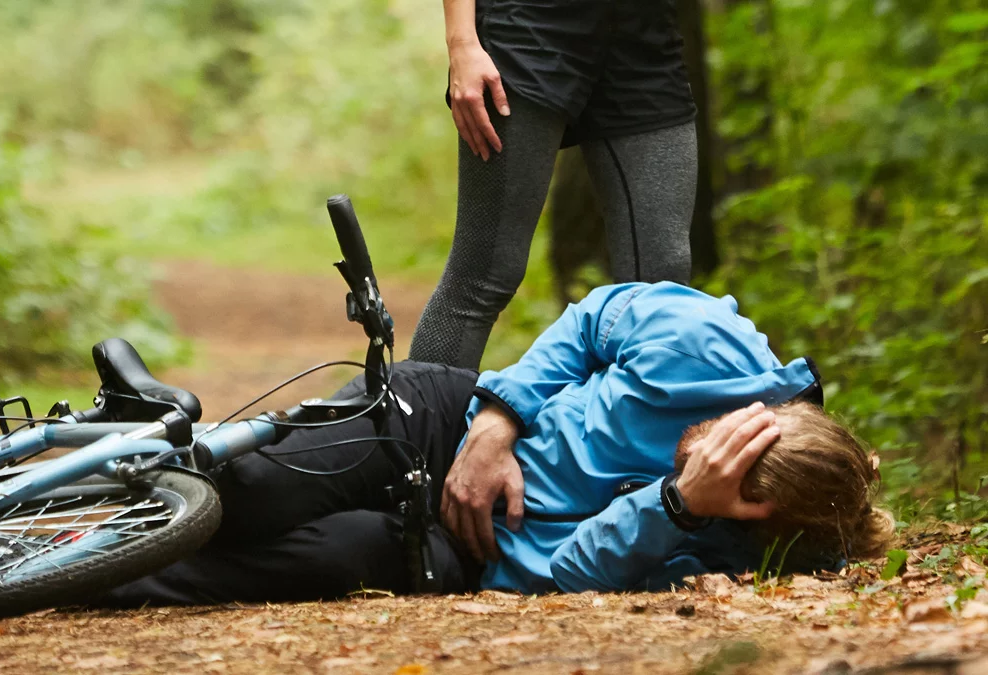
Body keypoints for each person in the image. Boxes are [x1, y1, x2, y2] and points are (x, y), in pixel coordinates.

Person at [101, 283, 892, 606]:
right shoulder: (716, 348)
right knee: (258, 492)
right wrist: (497, 422)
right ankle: (140, 437)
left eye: (709, 472)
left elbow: (573, 574)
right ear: (767, 411)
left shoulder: (731, 543)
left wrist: (677, 504)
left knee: (321, 558)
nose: (696, 449)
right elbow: (594, 319)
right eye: (716, 438)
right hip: (447, 423)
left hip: (470, 548)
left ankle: (65, 567)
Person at [408, 0, 701, 370]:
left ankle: (632, 424)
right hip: (530, 25)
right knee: (484, 273)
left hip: (644, 35)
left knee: (663, 280)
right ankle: (415, 426)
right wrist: (462, 43)